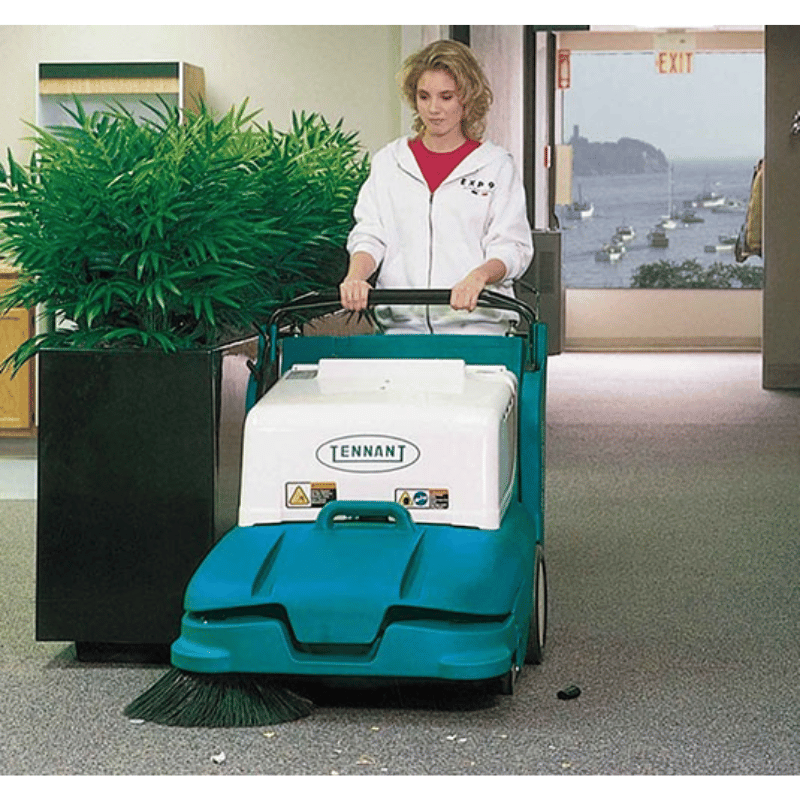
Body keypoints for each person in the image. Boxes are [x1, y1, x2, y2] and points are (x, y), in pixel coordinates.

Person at [340, 39, 533, 334]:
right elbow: (371, 234)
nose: (433, 109)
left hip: (477, 329)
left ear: (466, 100)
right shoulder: (390, 162)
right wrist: (356, 277)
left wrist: (478, 277)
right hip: (401, 330)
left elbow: (512, 246)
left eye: (446, 97)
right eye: (424, 96)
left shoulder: (496, 165)